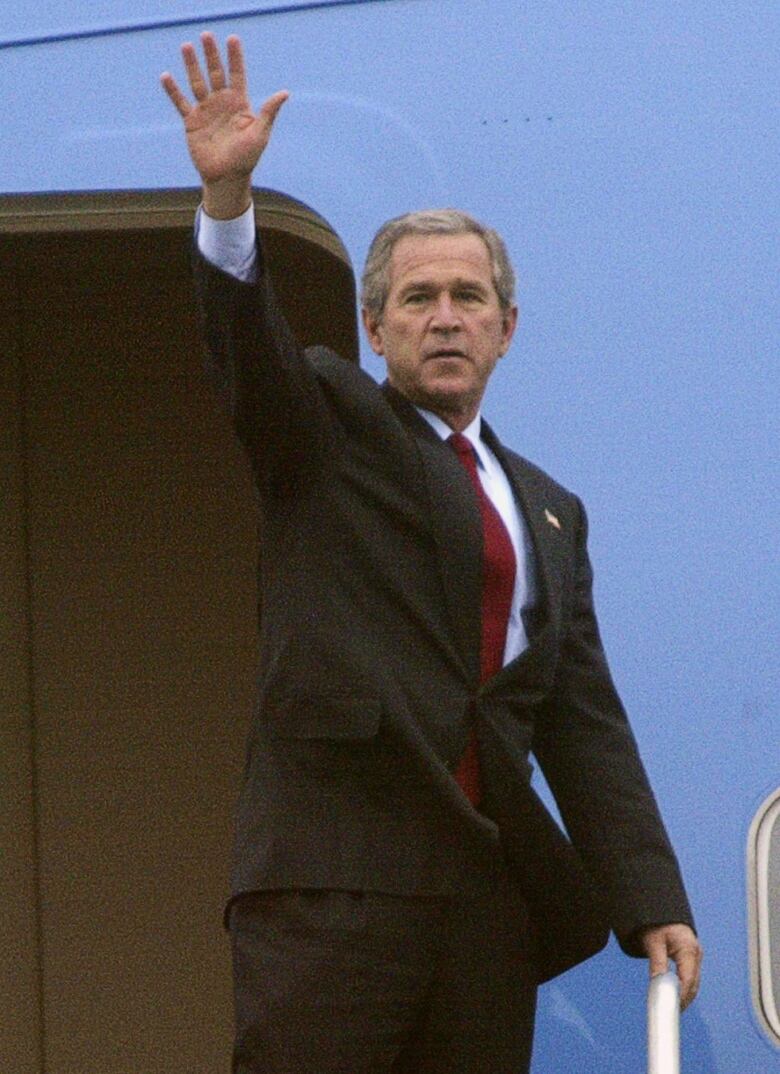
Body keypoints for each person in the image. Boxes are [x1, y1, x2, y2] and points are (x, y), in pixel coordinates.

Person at [161, 32, 702, 1074]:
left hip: (483, 903)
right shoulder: (325, 423)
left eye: (467, 300)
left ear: (506, 328)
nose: (444, 319)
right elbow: (249, 357)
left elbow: (581, 719)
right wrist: (228, 206)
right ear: (374, 327)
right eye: (417, 300)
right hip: (334, 891)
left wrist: (651, 899)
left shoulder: (550, 509)